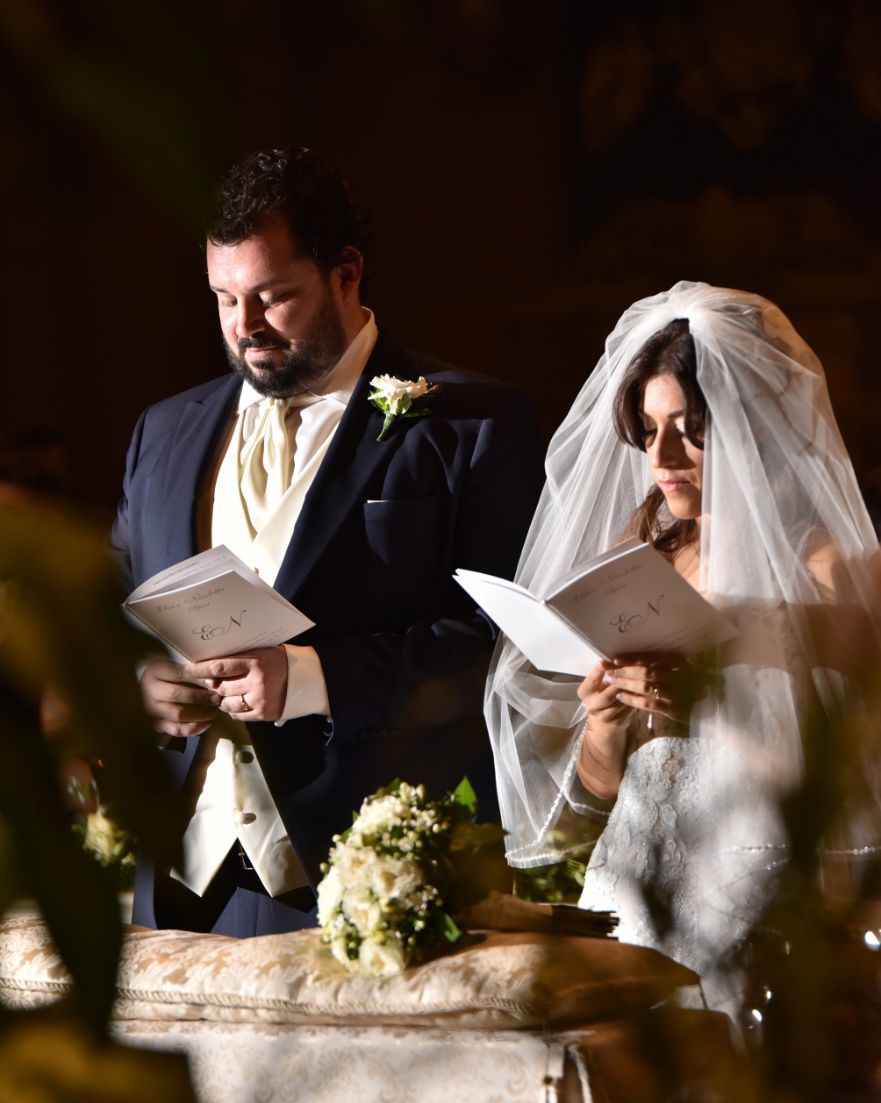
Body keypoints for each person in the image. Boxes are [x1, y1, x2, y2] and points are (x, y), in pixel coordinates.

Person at [111, 146, 544, 937]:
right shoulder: (163, 431)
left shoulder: (473, 424)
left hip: (366, 873)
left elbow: (504, 644)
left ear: (346, 273)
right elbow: (112, 608)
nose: (245, 328)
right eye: (223, 298)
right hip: (177, 871)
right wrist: (138, 679)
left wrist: (309, 678)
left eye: (273, 297)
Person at [485, 281, 881, 1012]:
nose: (660, 454)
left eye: (690, 428)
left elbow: (850, 779)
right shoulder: (642, 558)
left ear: (754, 427)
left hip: (762, 894)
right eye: (646, 426)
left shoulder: (824, 565)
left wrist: (718, 680)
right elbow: (600, 792)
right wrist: (604, 719)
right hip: (635, 886)